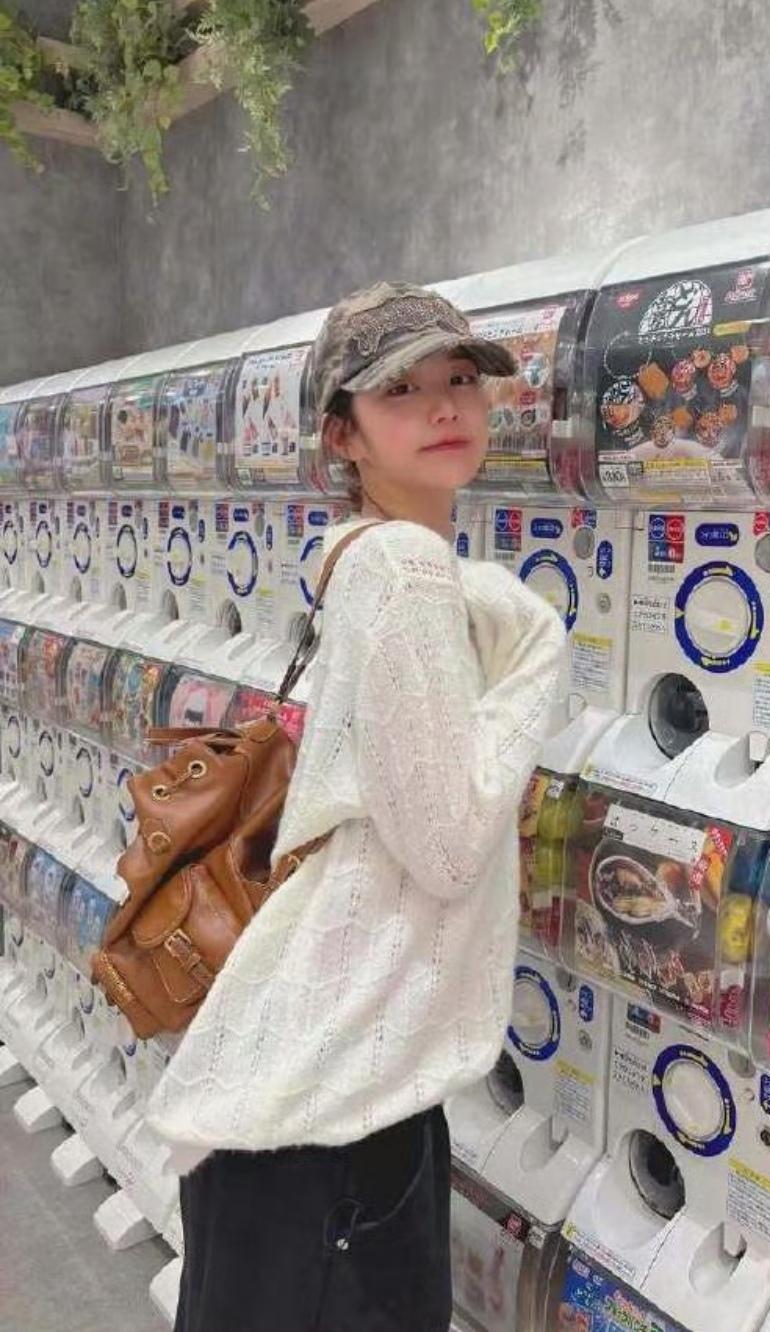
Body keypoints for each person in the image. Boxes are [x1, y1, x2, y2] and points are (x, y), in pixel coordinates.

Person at [145, 282, 568, 1332]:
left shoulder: (359, 556)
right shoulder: (407, 569)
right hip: (334, 1113)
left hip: (313, 1089)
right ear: (343, 433)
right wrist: (537, 662)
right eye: (399, 390)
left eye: (460, 378)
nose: (445, 406)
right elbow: (451, 848)